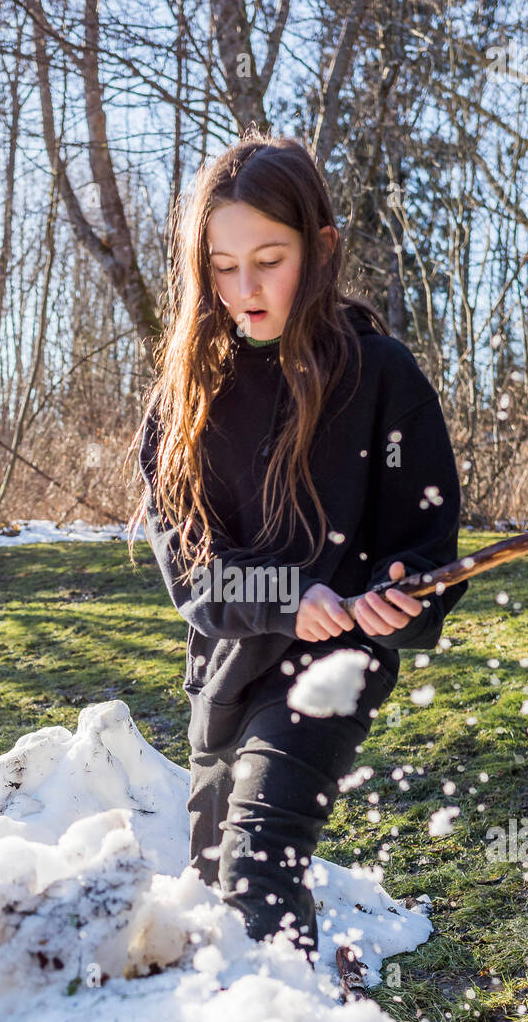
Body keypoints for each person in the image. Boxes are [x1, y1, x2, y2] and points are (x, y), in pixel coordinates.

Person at [126, 130, 468, 966]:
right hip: (227, 669)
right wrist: (287, 598)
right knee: (211, 892)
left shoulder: (382, 377)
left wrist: (401, 595)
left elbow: (427, 544)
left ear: (319, 250)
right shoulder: (186, 400)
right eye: (221, 264)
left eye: (268, 260)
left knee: (257, 864)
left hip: (333, 669)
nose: (244, 288)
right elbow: (195, 572)